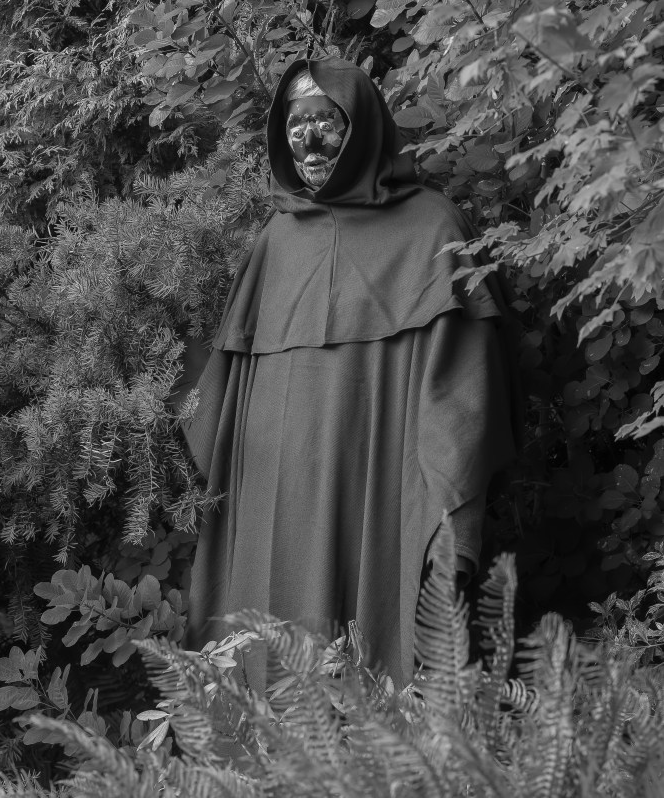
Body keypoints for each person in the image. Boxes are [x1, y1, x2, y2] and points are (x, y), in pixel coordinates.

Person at [180, 55, 522, 687]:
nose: (308, 142)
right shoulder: (276, 241)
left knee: (383, 666)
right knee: (275, 664)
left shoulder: (432, 228)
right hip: (277, 498)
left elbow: (465, 392)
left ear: (361, 126)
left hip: (383, 487)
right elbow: (223, 400)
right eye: (294, 125)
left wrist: (449, 504)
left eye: (325, 122)